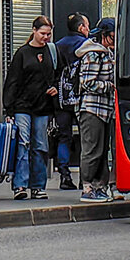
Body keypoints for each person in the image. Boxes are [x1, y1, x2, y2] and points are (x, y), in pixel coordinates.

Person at [2, 15, 58, 200]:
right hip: (22, 106)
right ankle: (20, 185)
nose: (46, 37)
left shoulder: (51, 51)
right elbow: (12, 82)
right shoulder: (22, 53)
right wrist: (8, 109)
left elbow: (59, 75)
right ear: (34, 31)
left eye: (48, 34)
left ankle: (38, 186)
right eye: (42, 33)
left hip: (43, 106)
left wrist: (55, 88)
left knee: (40, 146)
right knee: (23, 144)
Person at [76, 17, 116, 203]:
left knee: (101, 149)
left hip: (105, 109)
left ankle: (100, 186)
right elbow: (87, 83)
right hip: (92, 108)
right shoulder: (93, 54)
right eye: (112, 37)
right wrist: (110, 85)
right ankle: (88, 187)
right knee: (92, 148)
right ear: (104, 35)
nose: (115, 42)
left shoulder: (107, 53)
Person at [52, 12, 89, 190]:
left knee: (63, 137)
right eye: (87, 26)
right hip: (82, 97)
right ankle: (85, 177)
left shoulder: (57, 46)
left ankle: (65, 176)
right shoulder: (86, 45)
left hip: (61, 98)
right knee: (86, 138)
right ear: (81, 28)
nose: (88, 30)